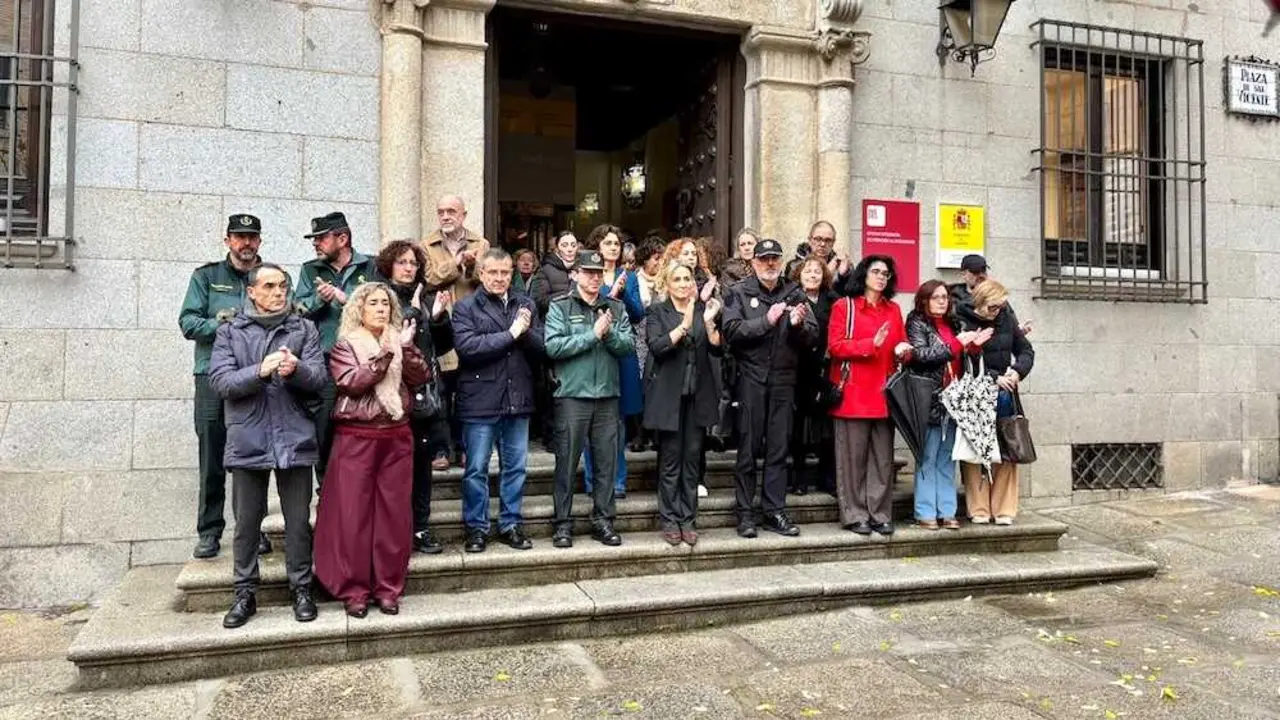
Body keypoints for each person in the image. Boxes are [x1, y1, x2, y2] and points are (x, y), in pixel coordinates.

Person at [208, 264, 326, 628]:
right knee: (246, 522)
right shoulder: (230, 331)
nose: (279, 292)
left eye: (283, 286)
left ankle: (301, 588)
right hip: (248, 438)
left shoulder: (304, 328)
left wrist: (297, 371)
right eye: (270, 286)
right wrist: (260, 371)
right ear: (252, 293)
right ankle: (244, 592)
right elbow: (220, 381)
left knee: (297, 522)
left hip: (294, 437)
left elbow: (320, 378)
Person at [313, 282, 430, 618]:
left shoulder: (400, 341)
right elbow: (352, 381)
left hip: (396, 436)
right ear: (359, 310)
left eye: (385, 304)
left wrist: (406, 350)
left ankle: (388, 587)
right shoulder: (345, 345)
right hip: (356, 438)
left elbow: (420, 376)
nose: (381, 309)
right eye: (373, 303)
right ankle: (355, 590)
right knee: (354, 516)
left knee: (393, 515)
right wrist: (387, 354)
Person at [178, 213, 273, 560]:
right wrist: (221, 324)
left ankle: (254, 529)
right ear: (228, 240)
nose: (246, 243)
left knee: (254, 458)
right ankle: (209, 531)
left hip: (255, 377)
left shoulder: (270, 278)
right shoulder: (207, 277)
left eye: (252, 237)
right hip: (212, 376)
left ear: (260, 241)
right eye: (239, 237)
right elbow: (188, 322)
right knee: (212, 456)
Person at [721, 238, 818, 538]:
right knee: (748, 450)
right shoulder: (738, 292)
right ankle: (745, 513)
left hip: (783, 381)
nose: (770, 264)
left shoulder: (794, 292)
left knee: (778, 449)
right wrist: (767, 320)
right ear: (753, 263)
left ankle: (774, 511)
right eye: (764, 259)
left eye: (775, 258)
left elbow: (813, 337)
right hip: (751, 379)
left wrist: (800, 325)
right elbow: (731, 331)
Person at [451, 249, 544, 553]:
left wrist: (526, 332)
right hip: (480, 400)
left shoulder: (525, 303)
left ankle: (511, 524)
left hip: (518, 398)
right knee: (476, 469)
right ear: (481, 273)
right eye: (493, 272)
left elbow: (542, 348)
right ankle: (477, 528)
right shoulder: (466, 307)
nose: (500, 278)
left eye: (505, 272)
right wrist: (512, 332)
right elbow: (469, 348)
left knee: (515, 467)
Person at [544, 250, 635, 548]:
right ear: (575, 274)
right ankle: (562, 524)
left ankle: (603, 521)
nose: (594, 277)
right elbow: (554, 347)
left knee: (606, 464)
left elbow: (627, 346)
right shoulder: (560, 306)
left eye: (599, 273)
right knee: (567, 463)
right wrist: (592, 336)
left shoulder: (616, 307)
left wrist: (607, 335)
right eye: (588, 272)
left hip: (607, 396)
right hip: (572, 395)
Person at [376, 240, 455, 554]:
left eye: (413, 263)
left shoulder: (428, 298)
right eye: (402, 263)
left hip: (422, 394)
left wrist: (437, 318)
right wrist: (411, 313)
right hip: (389, 393)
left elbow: (445, 346)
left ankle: (421, 527)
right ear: (389, 266)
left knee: (422, 465)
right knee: (392, 468)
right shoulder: (378, 297)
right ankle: (394, 529)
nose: (409, 268)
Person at [295, 212, 382, 482]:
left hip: (365, 358)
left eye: (322, 238)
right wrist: (320, 300)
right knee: (323, 425)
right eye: (315, 239)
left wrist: (347, 300)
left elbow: (384, 305)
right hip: (325, 358)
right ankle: (326, 489)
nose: (316, 244)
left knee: (365, 423)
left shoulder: (372, 266)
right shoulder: (310, 270)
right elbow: (298, 311)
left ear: (342, 238)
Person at [827, 255, 911, 536]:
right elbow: (836, 346)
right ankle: (854, 514)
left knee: (882, 460)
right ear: (863, 275)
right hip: (853, 393)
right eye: (876, 271)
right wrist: (869, 344)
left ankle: (880, 513)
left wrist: (904, 351)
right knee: (852, 460)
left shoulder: (894, 309)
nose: (881, 277)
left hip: (885, 394)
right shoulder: (844, 306)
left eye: (886, 273)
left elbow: (899, 342)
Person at [644, 262, 723, 546]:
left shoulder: (705, 311)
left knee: (692, 461)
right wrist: (685, 325)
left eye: (686, 278)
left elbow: (716, 348)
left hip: (697, 396)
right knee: (670, 462)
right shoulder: (657, 312)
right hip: (668, 399)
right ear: (667, 283)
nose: (682, 283)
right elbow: (658, 347)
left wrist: (711, 325)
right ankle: (669, 519)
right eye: (676, 279)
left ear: (693, 283)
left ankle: (688, 518)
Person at [904, 280, 984, 530]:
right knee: (927, 456)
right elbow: (922, 356)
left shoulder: (954, 323)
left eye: (945, 297)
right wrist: (957, 344)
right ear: (924, 299)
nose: (942, 301)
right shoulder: (916, 322)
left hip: (954, 400)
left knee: (947, 458)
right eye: (936, 297)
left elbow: (961, 359)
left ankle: (947, 510)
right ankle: (925, 511)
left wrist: (973, 348)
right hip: (929, 398)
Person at [957, 279, 1035, 526]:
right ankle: (979, 507)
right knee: (976, 449)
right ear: (979, 302)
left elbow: (1026, 350)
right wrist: (993, 377)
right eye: (992, 307)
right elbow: (961, 361)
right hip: (976, 392)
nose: (997, 311)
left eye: (1001, 306)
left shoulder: (1006, 318)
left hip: (1004, 393)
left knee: (1007, 447)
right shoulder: (962, 319)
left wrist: (1016, 371)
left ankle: (1004, 509)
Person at [581, 224, 644, 499]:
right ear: (597, 247)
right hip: (594, 353)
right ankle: (593, 480)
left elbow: (639, 313)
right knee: (591, 421)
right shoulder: (587, 274)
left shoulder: (627, 275)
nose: (614, 247)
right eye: (608, 243)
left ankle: (618, 481)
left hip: (621, 353)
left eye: (617, 243)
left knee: (616, 423)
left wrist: (624, 292)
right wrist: (610, 295)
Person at [788, 256, 839, 497]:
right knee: (798, 427)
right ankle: (798, 478)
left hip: (825, 368)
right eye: (807, 271)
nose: (812, 275)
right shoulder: (792, 298)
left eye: (817, 271)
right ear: (799, 275)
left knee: (826, 427)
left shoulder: (833, 299)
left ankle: (826, 477)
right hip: (798, 369)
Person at [629, 236, 667, 453]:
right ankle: (639, 433)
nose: (658, 262)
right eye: (655, 258)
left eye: (662, 258)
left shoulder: (667, 279)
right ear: (645, 259)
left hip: (661, 334)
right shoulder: (635, 279)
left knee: (658, 384)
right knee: (640, 385)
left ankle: (657, 432)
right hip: (639, 336)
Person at [422, 194, 491, 302]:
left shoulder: (480, 244)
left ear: (464, 215)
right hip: (438, 315)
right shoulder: (426, 246)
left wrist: (471, 266)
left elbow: (488, 282)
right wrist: (455, 263)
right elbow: (427, 281)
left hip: (471, 314)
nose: (445, 217)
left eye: (451, 212)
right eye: (441, 213)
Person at [949, 254, 1032, 337]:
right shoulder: (952, 299)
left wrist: (1019, 332)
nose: (981, 275)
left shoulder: (998, 297)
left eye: (983, 271)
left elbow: (1012, 327)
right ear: (963, 274)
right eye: (975, 272)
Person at [529, 230, 578, 318]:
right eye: (564, 245)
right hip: (554, 320)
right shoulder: (545, 270)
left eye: (573, 245)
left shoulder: (582, 269)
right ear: (557, 249)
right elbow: (539, 301)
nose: (570, 249)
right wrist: (568, 294)